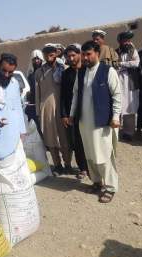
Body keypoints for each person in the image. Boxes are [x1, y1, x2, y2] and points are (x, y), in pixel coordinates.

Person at [70, 41, 121, 203]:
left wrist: (116, 116)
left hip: (102, 122)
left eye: (88, 54)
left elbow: (117, 95)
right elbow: (76, 95)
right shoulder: (81, 73)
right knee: (90, 155)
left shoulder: (108, 71)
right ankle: (97, 182)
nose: (85, 57)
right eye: (83, 54)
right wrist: (72, 114)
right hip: (85, 122)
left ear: (97, 54)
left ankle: (111, 187)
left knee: (105, 154)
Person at [35, 44, 72, 176]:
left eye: (51, 53)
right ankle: (57, 165)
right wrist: (39, 112)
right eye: (46, 54)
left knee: (64, 139)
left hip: (62, 110)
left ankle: (68, 164)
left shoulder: (64, 69)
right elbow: (37, 94)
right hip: (46, 110)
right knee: (50, 139)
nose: (49, 56)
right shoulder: (39, 72)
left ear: (56, 54)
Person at [60, 43, 88, 179]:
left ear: (79, 54)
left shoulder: (87, 69)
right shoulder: (66, 74)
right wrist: (64, 115)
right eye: (68, 56)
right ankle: (83, 168)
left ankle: (92, 167)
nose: (70, 58)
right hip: (72, 114)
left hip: (89, 112)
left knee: (89, 140)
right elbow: (63, 96)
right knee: (77, 142)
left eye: (73, 55)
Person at [115, 31, 140, 141]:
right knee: (117, 105)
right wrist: (122, 65)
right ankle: (115, 130)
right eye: (125, 40)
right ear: (120, 41)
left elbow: (136, 63)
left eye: (129, 40)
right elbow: (113, 64)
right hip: (118, 80)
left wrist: (122, 64)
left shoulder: (133, 51)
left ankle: (128, 132)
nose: (127, 42)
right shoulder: (116, 52)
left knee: (129, 108)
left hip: (129, 82)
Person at [25, 49, 44, 126]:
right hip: (34, 106)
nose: (36, 61)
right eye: (34, 59)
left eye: (38, 59)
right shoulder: (30, 75)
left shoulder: (46, 72)